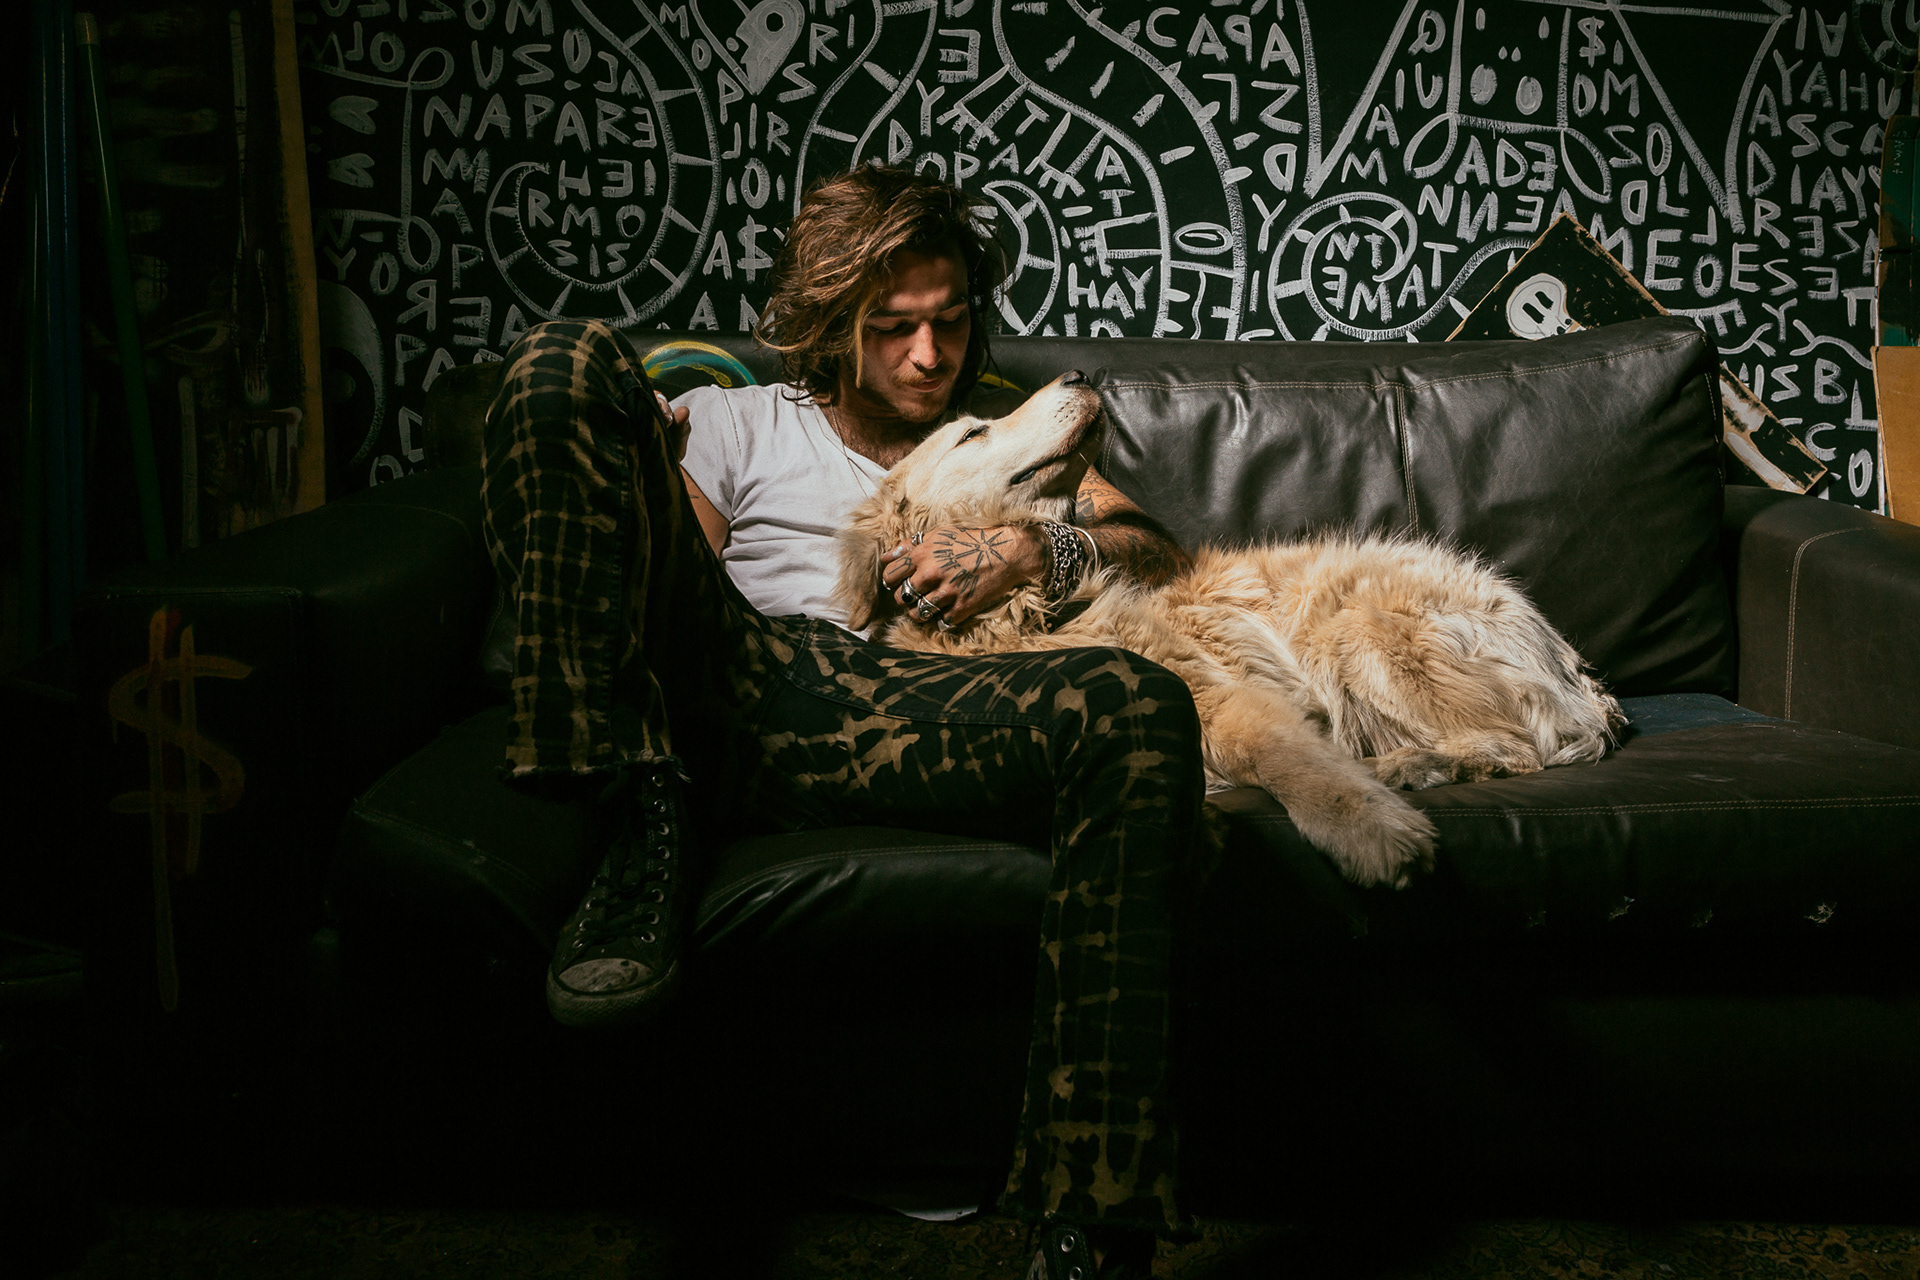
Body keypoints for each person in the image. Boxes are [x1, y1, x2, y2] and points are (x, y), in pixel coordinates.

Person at [480, 164, 1202, 1279]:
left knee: (1138, 704)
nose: (929, 355)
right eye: (893, 328)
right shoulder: (736, 422)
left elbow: (1152, 552)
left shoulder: (1000, 431)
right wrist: (638, 496)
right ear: (830, 324)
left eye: (948, 321)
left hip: (900, 704)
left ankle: (1093, 1232)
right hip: (747, 679)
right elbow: (675, 614)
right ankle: (631, 801)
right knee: (562, 355)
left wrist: (1023, 547)